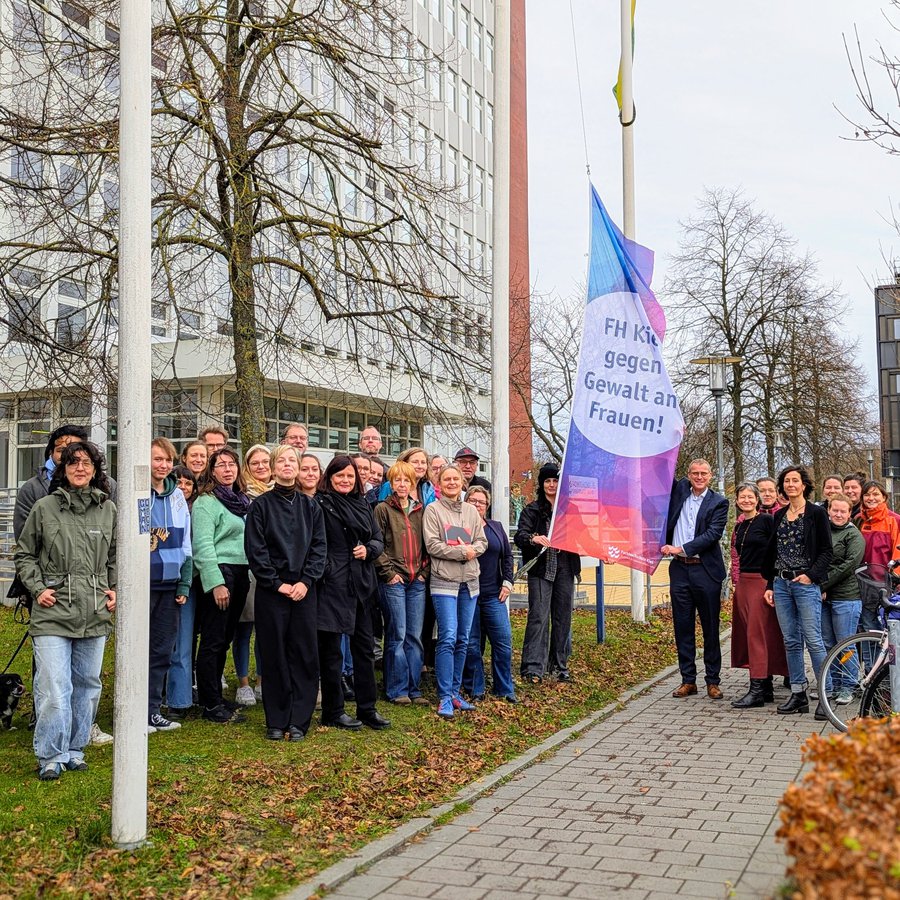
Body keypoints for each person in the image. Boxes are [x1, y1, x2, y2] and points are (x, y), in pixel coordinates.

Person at [15, 442, 116, 780]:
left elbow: (115, 557)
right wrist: (37, 588)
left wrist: (113, 588)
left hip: (94, 611)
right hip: (53, 613)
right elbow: (25, 554)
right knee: (55, 687)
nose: (80, 468)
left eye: (86, 463)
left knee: (87, 685)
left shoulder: (108, 510)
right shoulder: (44, 508)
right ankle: (50, 754)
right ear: (62, 469)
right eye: (73, 463)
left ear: (95, 469)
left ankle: (74, 749)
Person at [244, 446, 327, 741]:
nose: (288, 465)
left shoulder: (311, 507)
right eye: (283, 460)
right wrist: (276, 583)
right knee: (274, 653)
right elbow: (256, 550)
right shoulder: (260, 506)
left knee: (304, 654)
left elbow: (319, 548)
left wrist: (306, 581)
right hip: (273, 591)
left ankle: (299, 721)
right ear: (274, 467)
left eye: (293, 460)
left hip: (305, 590)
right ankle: (277, 720)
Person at [316, 456, 390, 731]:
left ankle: (367, 708)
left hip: (361, 585)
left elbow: (377, 539)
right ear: (330, 477)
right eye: (339, 476)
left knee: (364, 650)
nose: (345, 481)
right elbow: (316, 543)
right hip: (332, 586)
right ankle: (333, 710)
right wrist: (328, 569)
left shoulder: (362, 504)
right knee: (332, 653)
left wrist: (368, 550)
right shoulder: (320, 504)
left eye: (349, 476)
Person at [762, 465, 833, 717]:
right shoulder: (779, 515)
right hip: (781, 585)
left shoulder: (816, 514)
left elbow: (827, 551)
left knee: (814, 641)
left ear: (804, 485)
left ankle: (826, 696)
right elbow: (774, 554)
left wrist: (811, 576)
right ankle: (798, 694)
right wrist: (771, 584)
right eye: (787, 481)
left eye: (795, 480)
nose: (791, 484)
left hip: (805, 585)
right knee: (791, 640)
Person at [192, 447, 251, 723]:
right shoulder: (207, 502)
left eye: (232, 464)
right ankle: (210, 703)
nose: (228, 469)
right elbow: (202, 544)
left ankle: (215, 694)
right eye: (221, 465)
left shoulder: (240, 501)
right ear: (211, 471)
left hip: (241, 574)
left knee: (225, 638)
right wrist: (215, 582)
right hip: (220, 574)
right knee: (213, 640)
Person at [661, 459, 729, 700]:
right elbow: (664, 469)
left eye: (704, 473)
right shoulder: (679, 491)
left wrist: (680, 548)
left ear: (711, 475)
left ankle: (713, 680)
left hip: (706, 571)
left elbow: (712, 534)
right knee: (682, 626)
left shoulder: (719, 502)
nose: (699, 477)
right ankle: (688, 680)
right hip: (680, 571)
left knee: (710, 627)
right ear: (688, 475)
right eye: (695, 473)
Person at [423, 464, 488, 718]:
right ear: (439, 483)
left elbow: (482, 541)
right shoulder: (433, 510)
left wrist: (473, 550)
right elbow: (432, 545)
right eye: (446, 479)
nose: (451, 482)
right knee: (448, 637)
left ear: (463, 483)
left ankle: (455, 692)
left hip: (470, 582)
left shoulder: (471, 511)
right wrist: (463, 552)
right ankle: (444, 697)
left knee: (463, 639)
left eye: (455, 479)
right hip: (444, 582)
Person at [516, 463, 581, 685]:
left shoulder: (569, 510)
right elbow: (520, 535)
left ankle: (560, 666)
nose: (551, 485)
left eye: (555, 481)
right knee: (538, 617)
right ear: (542, 484)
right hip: (541, 569)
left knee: (563, 619)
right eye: (547, 481)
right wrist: (532, 538)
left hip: (565, 568)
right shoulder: (532, 510)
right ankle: (533, 667)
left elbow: (584, 535)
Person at [374, 461, 429, 705]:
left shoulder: (420, 510)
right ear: (391, 484)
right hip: (393, 579)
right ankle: (397, 689)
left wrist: (423, 573)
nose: (402, 484)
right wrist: (389, 573)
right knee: (397, 633)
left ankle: (413, 688)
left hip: (416, 580)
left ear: (412, 483)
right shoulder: (383, 509)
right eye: (397, 480)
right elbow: (377, 545)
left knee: (414, 635)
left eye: (406, 480)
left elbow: (428, 544)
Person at [147, 438, 192, 733]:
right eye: (157, 459)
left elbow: (186, 544)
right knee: (137, 650)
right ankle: (130, 708)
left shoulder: (178, 497)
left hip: (170, 585)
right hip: (143, 585)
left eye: (167, 460)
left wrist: (184, 585)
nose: (162, 465)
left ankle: (151, 710)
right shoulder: (139, 494)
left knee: (162, 651)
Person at [729, 482, 786, 709]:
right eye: (742, 497)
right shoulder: (739, 526)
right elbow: (737, 556)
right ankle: (766, 687)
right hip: (744, 582)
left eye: (750, 497)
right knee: (748, 634)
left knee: (758, 635)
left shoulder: (766, 520)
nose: (746, 500)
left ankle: (757, 689)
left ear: (757, 499)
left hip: (761, 582)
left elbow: (777, 551)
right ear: (737, 501)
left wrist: (772, 582)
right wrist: (735, 582)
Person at [462, 486, 516, 703]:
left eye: (481, 502)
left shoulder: (495, 527)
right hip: (469, 594)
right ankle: (475, 688)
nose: (477, 505)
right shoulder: (459, 527)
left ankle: (504, 688)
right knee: (472, 644)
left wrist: (508, 582)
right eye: (473, 501)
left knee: (503, 641)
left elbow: (508, 556)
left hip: (494, 594)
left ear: (487, 505)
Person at [232, 444, 272, 706]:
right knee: (244, 629)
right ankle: (243, 683)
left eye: (265, 462)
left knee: (265, 629)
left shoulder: (277, 493)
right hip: (247, 566)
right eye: (254, 463)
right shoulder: (241, 495)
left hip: (269, 569)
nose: (260, 467)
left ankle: (261, 680)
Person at [819, 493, 865, 707]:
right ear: (828, 509)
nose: (838, 514)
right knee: (828, 644)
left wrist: (822, 585)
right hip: (823, 596)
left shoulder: (854, 536)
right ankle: (833, 684)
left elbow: (848, 566)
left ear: (849, 513)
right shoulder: (822, 531)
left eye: (842, 511)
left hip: (846, 598)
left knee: (845, 644)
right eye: (834, 510)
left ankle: (848, 685)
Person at [165, 467, 200, 719]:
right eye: (178, 482)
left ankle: (180, 700)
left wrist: (185, 583)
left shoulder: (193, 511)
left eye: (188, 483)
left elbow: (188, 549)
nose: (183, 487)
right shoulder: (159, 504)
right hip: (157, 581)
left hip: (185, 582)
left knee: (182, 644)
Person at [854, 479, 900, 644]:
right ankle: (870, 668)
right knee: (866, 630)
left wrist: (895, 579)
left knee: (885, 629)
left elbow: (897, 552)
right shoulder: (859, 519)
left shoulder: (894, 520)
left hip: (886, 585)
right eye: (867, 494)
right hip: (862, 584)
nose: (871, 498)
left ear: (884, 497)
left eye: (875, 494)